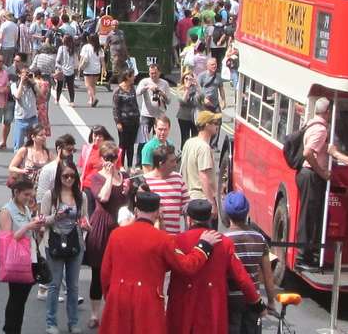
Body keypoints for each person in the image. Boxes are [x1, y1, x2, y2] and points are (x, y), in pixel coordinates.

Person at [97, 190, 221, 334]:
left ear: (136, 210)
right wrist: (203, 246)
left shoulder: (116, 234)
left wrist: (110, 295)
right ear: (157, 212)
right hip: (147, 301)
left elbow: (105, 272)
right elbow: (186, 266)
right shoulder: (163, 239)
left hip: (117, 296)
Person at [166, 199, 260, 334]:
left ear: (189, 220)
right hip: (210, 306)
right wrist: (257, 302)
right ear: (209, 218)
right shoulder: (225, 243)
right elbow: (242, 278)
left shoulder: (176, 241)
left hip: (182, 306)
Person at [297, 97, 348, 268]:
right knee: (309, 216)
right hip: (311, 175)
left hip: (307, 174)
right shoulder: (320, 130)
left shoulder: (311, 123)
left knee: (312, 215)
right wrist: (322, 172)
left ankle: (308, 253)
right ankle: (303, 256)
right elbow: (307, 152)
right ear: (328, 112)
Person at [83, 142, 128, 329]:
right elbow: (103, 197)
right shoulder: (96, 177)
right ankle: (95, 314)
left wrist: (128, 189)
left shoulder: (124, 176)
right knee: (98, 272)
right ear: (101, 159)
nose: (110, 161)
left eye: (113, 157)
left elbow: (128, 201)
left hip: (120, 227)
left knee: (119, 273)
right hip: (101, 227)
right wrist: (110, 177)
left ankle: (112, 310)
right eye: (107, 158)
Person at [44, 159, 89, 334]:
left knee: (73, 286)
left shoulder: (81, 196)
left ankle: (73, 322)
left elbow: (85, 219)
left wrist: (85, 225)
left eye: (72, 176)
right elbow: (42, 220)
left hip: (75, 242)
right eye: (65, 176)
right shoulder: (51, 195)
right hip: (54, 241)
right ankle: (51, 322)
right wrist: (56, 216)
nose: (69, 179)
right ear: (59, 177)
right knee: (54, 285)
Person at [0, 178, 48, 334]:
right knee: (16, 298)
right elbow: (8, 239)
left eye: (31, 195)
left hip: (29, 257)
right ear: (16, 192)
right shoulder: (6, 211)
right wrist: (28, 225)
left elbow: (28, 234)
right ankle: (11, 329)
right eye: (26, 195)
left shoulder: (25, 209)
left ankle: (13, 329)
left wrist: (36, 227)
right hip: (16, 261)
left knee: (21, 300)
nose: (29, 198)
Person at [222, 192, 275, 334]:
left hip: (230, 299)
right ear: (247, 212)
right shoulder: (259, 239)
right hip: (253, 300)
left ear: (226, 213)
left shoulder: (223, 240)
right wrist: (271, 301)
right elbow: (268, 276)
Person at [141, 144, 190, 235]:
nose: (175, 164)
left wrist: (187, 232)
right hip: (153, 236)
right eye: (172, 161)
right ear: (161, 163)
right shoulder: (146, 181)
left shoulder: (178, 178)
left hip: (175, 237)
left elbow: (186, 208)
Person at [181, 111, 219, 201]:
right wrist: (211, 202)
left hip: (188, 195)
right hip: (201, 198)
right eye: (215, 123)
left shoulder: (189, 142)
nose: (217, 126)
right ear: (206, 125)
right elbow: (204, 177)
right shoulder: (204, 148)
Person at [112, 74, 142, 170]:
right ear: (127, 77)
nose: (135, 77)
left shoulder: (132, 88)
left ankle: (129, 166)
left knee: (131, 145)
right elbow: (115, 108)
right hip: (123, 122)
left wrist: (138, 116)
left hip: (134, 121)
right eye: (133, 76)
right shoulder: (118, 90)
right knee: (122, 144)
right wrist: (118, 122)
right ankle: (120, 165)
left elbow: (135, 103)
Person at [80, 34, 102, 108]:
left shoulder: (86, 47)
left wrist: (80, 66)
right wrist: (104, 68)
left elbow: (82, 58)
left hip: (88, 68)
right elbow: (102, 60)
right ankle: (91, 100)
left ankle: (94, 98)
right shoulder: (99, 48)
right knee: (93, 85)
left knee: (88, 85)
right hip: (97, 69)